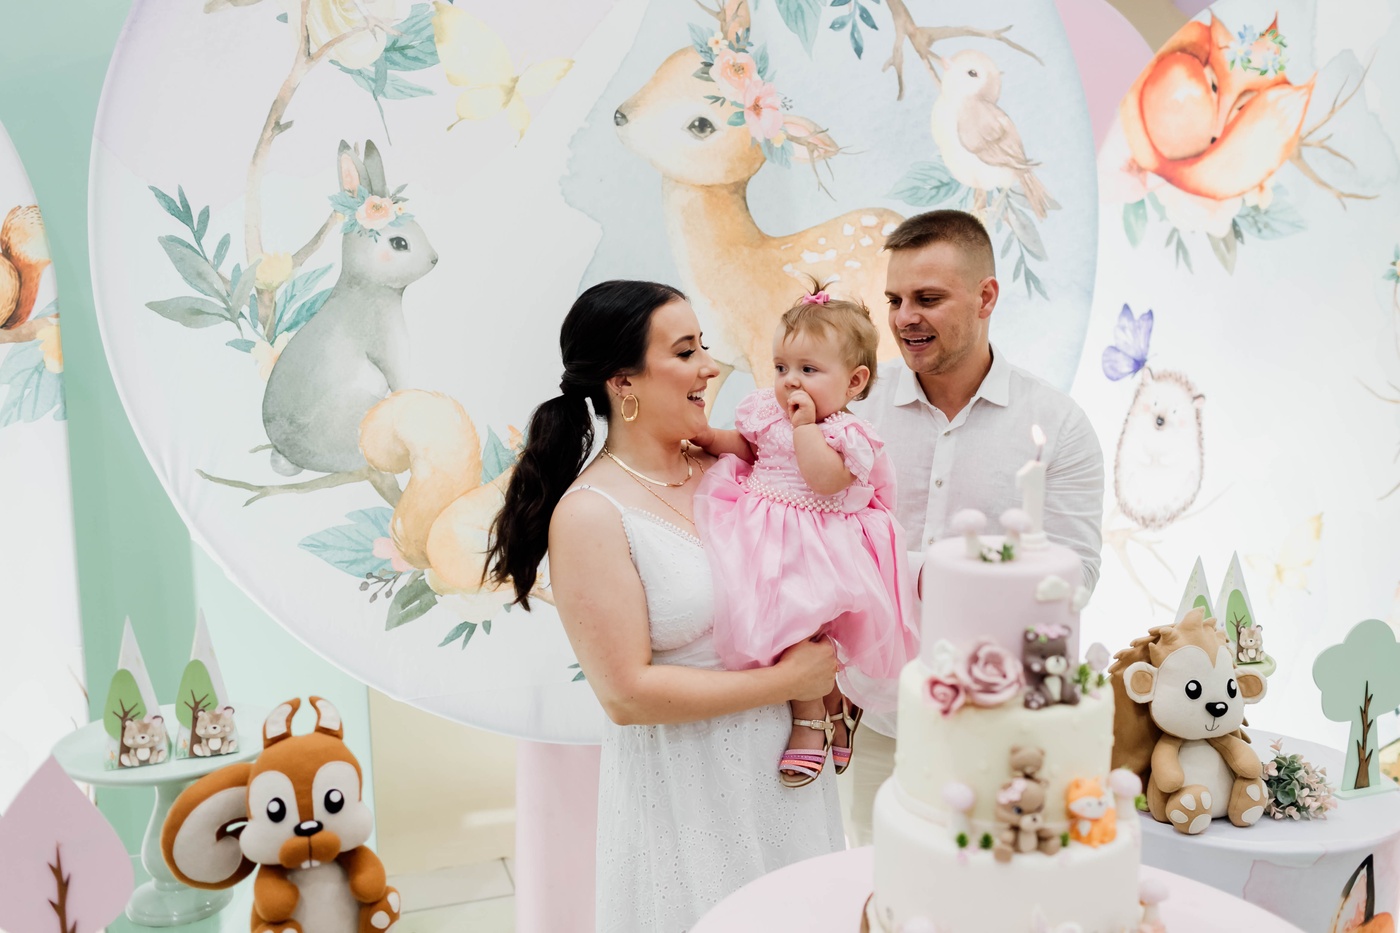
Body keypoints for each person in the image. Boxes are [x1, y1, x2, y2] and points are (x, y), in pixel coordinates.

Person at [485, 280, 846, 933]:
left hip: (786, 772)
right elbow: (626, 694)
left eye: (703, 346)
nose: (709, 366)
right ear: (623, 383)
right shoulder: (591, 514)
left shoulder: (735, 470)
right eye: (685, 352)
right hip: (690, 789)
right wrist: (790, 682)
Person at [845, 209, 1106, 844]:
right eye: (895, 300)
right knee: (872, 881)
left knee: (986, 885)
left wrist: (931, 576)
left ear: (987, 297)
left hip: (1000, 727)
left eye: (928, 298)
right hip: (872, 715)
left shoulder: (1059, 426)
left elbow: (1075, 577)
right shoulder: (854, 407)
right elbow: (820, 544)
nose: (904, 317)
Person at [691, 285, 918, 787]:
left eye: (809, 370)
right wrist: (710, 437)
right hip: (761, 529)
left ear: (854, 381)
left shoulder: (846, 434)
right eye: (781, 367)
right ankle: (835, 705)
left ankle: (810, 717)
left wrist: (805, 429)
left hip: (815, 540)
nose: (790, 381)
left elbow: (824, 480)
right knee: (768, 624)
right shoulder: (766, 411)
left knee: (801, 627)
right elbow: (749, 449)